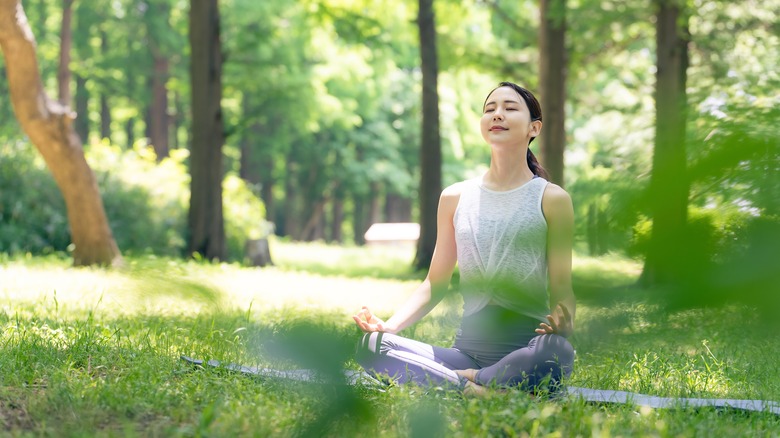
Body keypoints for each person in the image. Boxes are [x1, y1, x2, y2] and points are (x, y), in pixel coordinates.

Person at [352, 82, 576, 395]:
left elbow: (563, 288)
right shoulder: (455, 197)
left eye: (509, 108)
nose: (497, 114)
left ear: (533, 128)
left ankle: (466, 380)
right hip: (465, 353)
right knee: (372, 344)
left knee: (557, 354)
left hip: (526, 350)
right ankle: (476, 388)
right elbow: (434, 284)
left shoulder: (552, 199)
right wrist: (389, 326)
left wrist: (564, 322)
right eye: (490, 109)